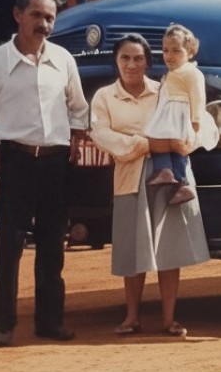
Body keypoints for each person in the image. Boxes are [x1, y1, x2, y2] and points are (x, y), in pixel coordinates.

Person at [0, 0, 88, 346]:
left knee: (53, 246)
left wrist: (75, 141)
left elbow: (79, 108)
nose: (44, 24)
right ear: (17, 15)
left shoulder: (63, 60)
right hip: (15, 161)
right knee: (10, 244)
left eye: (50, 17)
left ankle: (50, 322)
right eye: (36, 15)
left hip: (55, 164)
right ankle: (3, 325)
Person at [88, 34, 208, 338]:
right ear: (116, 61)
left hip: (170, 176)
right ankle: (131, 317)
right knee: (132, 249)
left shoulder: (166, 88)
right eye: (125, 58)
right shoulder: (104, 97)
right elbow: (102, 134)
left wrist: (185, 144)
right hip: (129, 174)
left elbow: (194, 120)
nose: (131, 64)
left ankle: (168, 319)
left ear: (148, 62)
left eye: (138, 58)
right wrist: (146, 144)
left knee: (171, 247)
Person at [144, 24, 218, 206]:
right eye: (165, 50)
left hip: (180, 116)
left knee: (174, 147)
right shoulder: (172, 73)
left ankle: (178, 178)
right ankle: (168, 173)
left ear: (190, 52)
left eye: (176, 51)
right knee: (160, 142)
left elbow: (198, 96)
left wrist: (196, 120)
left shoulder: (192, 73)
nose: (169, 56)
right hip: (167, 114)